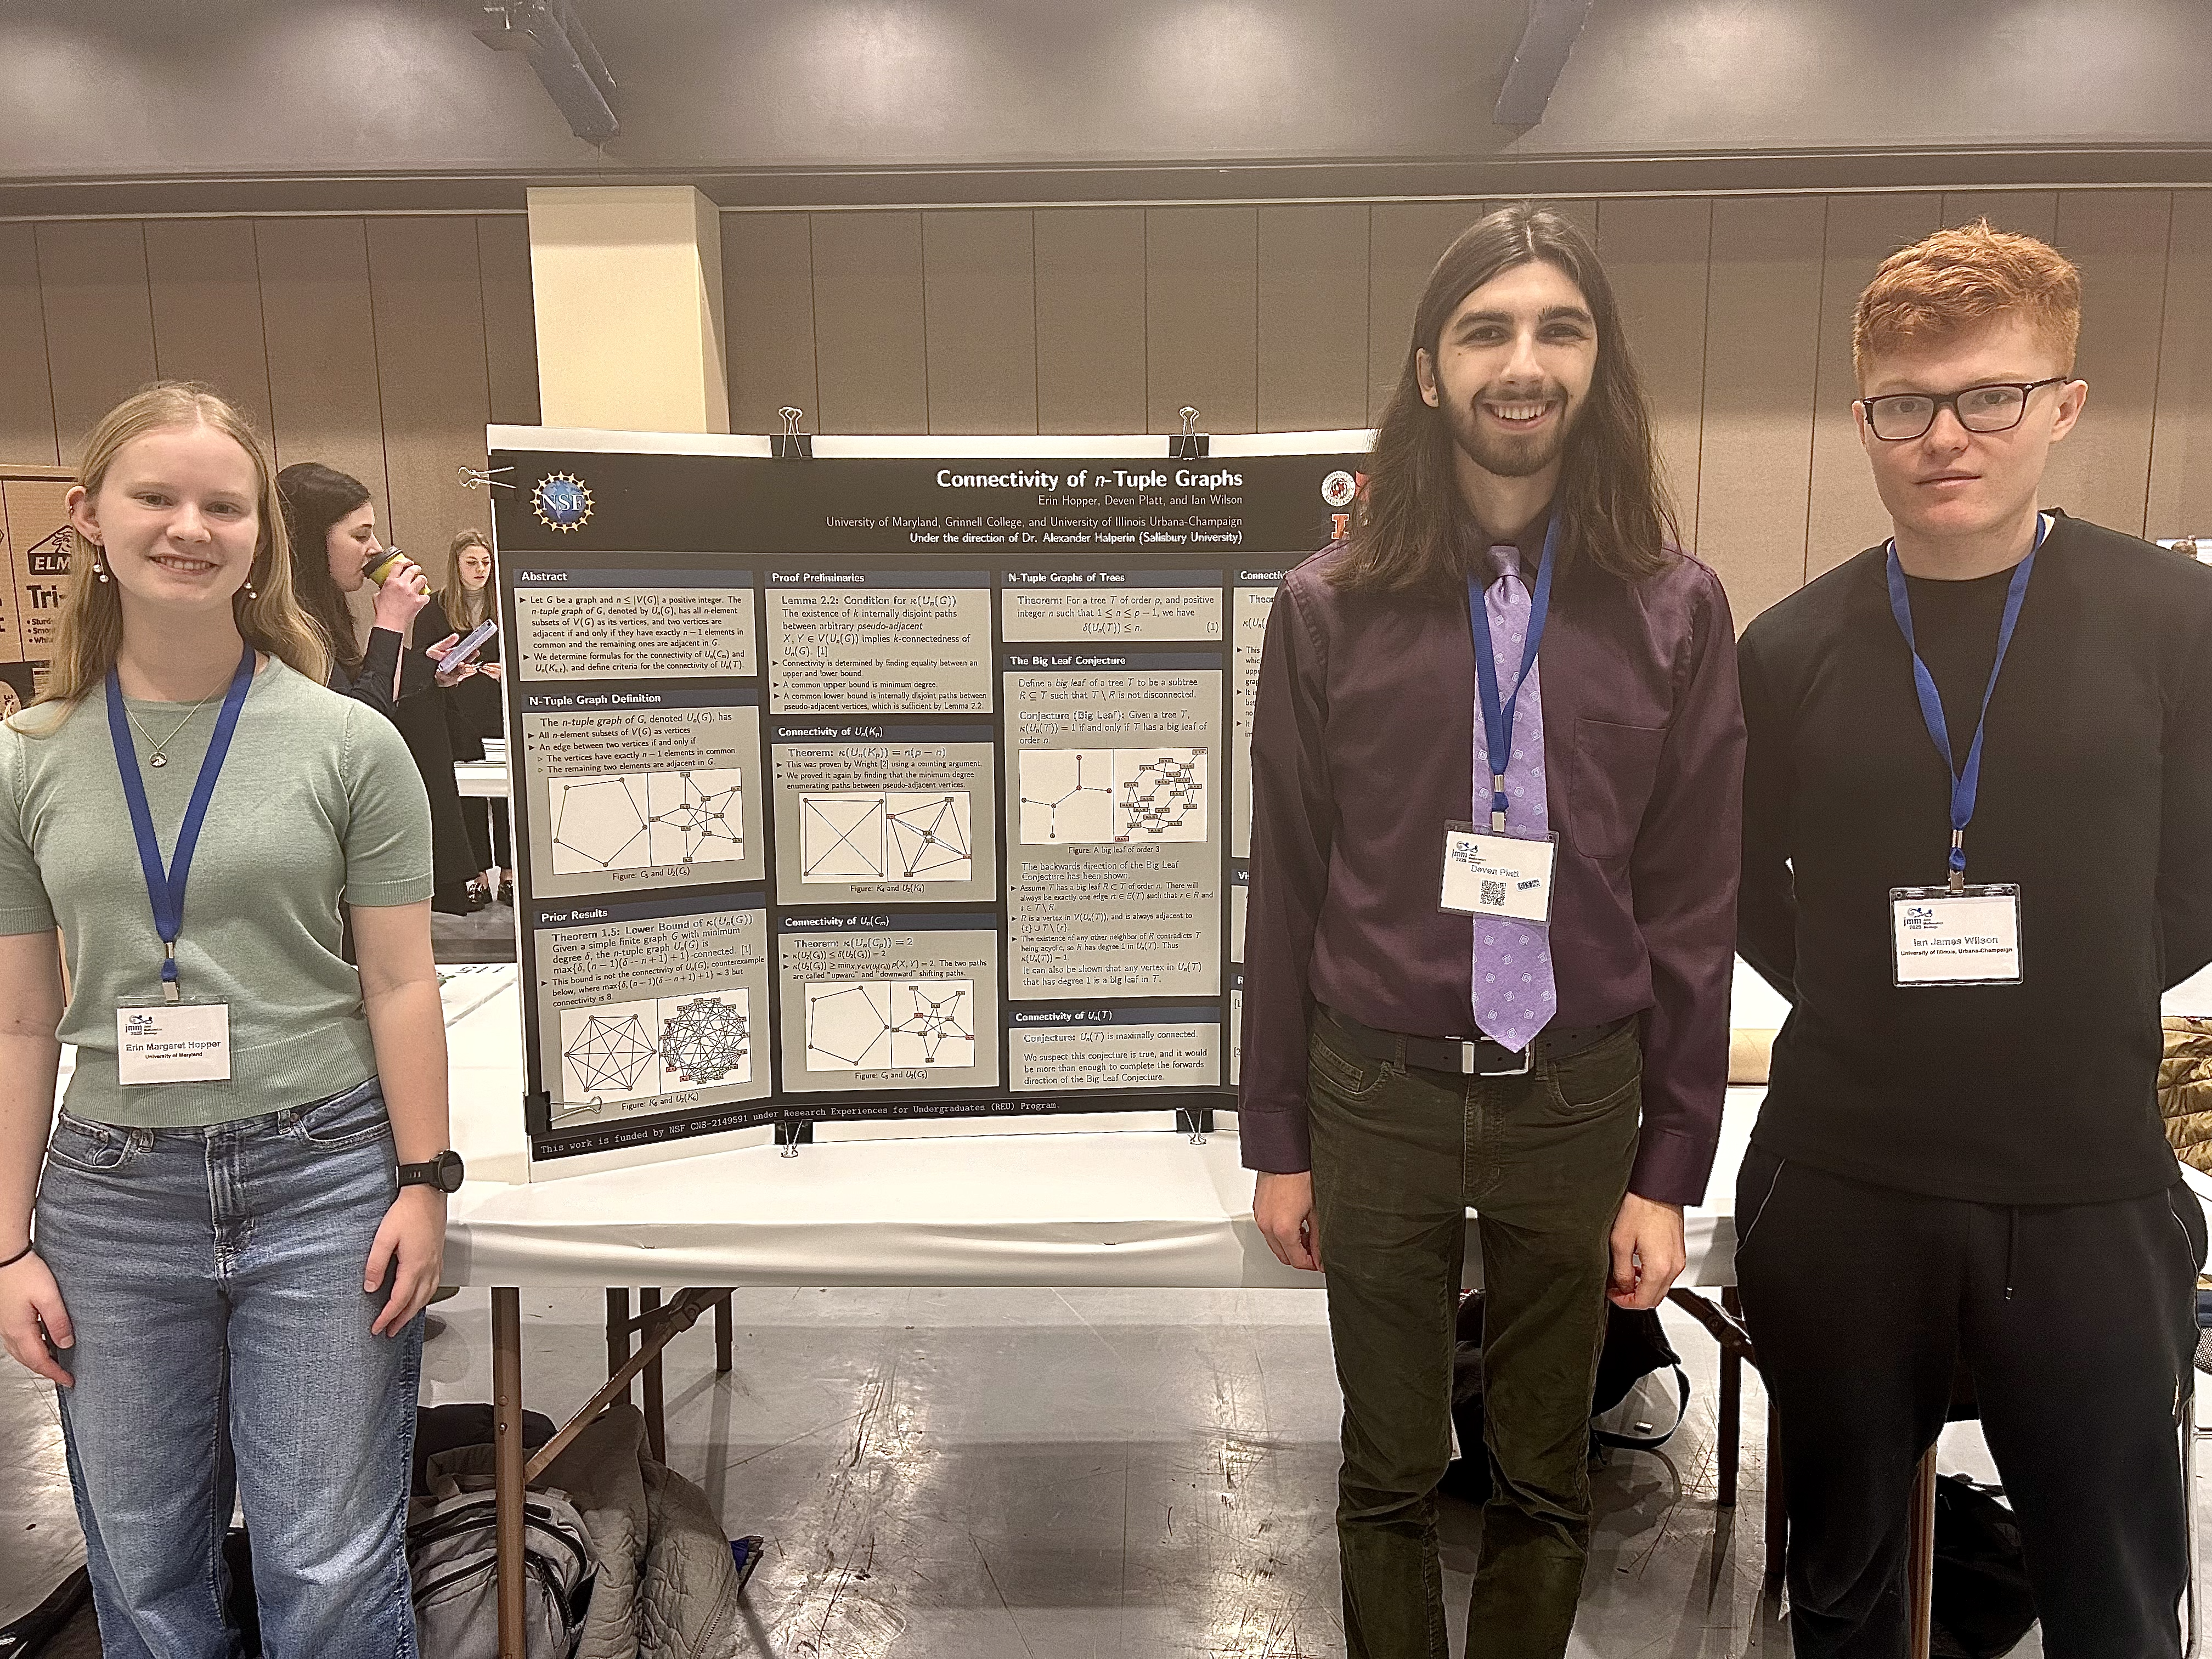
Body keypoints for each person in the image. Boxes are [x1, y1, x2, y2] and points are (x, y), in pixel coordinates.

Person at [1240, 204, 1744, 1659]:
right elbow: (1288, 877)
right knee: (1389, 1476)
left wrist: (1670, 1165)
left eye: (1558, 329)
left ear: (1599, 365)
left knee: (1545, 1478)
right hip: (1375, 1090)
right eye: (1487, 330)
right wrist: (1277, 1135)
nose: (1522, 364)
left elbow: (1696, 902)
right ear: (1427, 370)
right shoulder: (1329, 610)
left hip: (1577, 1096)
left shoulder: (1675, 610)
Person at [1735, 222, 2212, 1657]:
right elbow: (1740, 880)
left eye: (1989, 396)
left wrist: (2073, 992)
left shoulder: (2174, 620)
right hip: (1846, 1188)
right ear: (1864, 413)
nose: (1946, 435)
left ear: (2064, 406)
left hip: (2087, 1187)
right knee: (1843, 1593)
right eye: (1906, 402)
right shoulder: (1792, 648)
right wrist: (1870, 999)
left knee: (2118, 1598)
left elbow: (2199, 865)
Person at [0, 382, 461, 1654]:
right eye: (157, 497)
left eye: (224, 503)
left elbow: (399, 982)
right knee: (144, 1568)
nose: (190, 527)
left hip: (322, 1180)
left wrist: (423, 1181)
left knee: (327, 1565)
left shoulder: (347, 744)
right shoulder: (28, 759)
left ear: (261, 533)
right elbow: (23, 1020)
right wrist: (7, 1244)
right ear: (90, 517)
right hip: (107, 1196)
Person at [279, 465, 478, 913]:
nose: (373, 550)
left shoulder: (323, 607)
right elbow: (355, 724)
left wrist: (425, 670)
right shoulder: (287, 623)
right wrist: (390, 622)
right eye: (360, 535)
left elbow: (357, 679)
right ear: (311, 539)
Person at [421, 530, 508, 906]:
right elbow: (421, 664)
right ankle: (477, 877)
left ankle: (508, 873)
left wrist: (508, 672)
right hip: (457, 710)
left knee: (505, 797)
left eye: (486, 562)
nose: (480, 570)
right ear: (456, 565)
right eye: (472, 562)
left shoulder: (503, 602)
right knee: (468, 797)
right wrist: (446, 668)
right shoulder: (437, 607)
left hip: (498, 707)